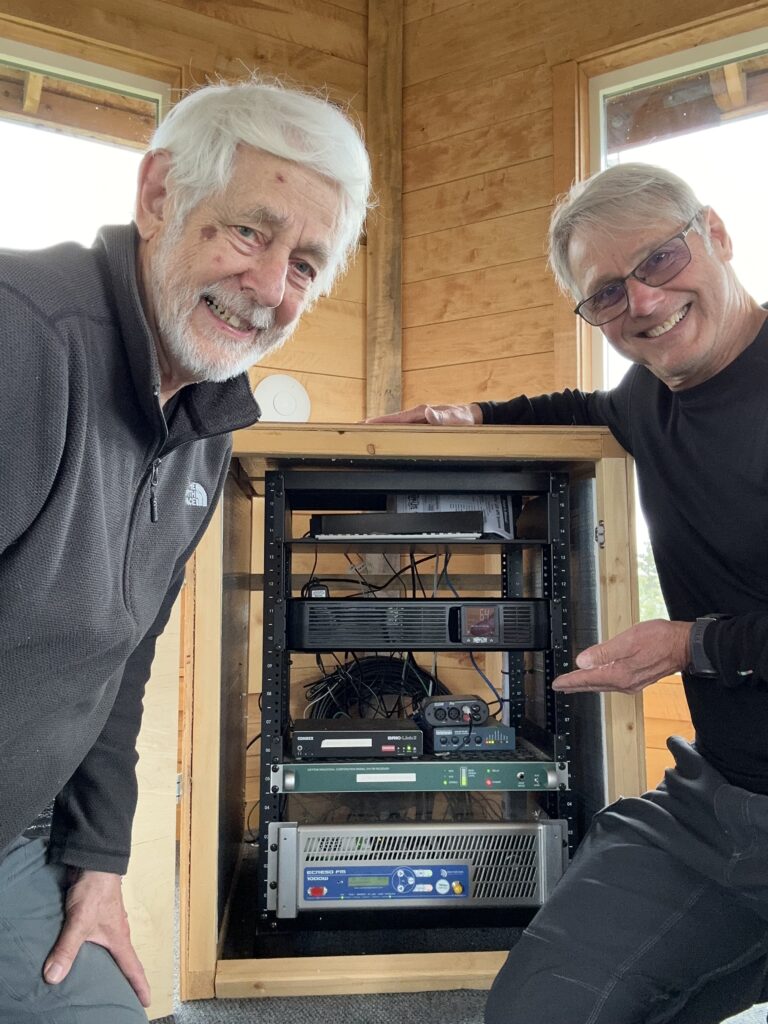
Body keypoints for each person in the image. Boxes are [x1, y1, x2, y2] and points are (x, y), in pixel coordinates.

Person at [0, 76, 370, 1022]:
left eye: (305, 264)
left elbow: (116, 667)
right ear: (159, 193)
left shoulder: (206, 423)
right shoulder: (22, 337)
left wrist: (96, 861)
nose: (270, 287)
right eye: (251, 232)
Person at [369, 163, 768, 1023]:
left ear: (718, 234)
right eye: (608, 295)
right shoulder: (648, 398)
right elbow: (583, 403)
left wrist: (689, 644)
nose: (646, 304)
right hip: (721, 807)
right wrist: (471, 417)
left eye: (660, 261)